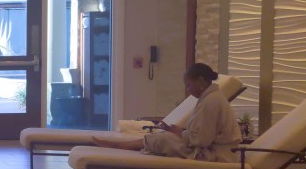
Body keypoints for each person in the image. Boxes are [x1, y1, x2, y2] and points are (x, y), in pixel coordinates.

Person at [93, 63, 241, 162]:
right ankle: (117, 145)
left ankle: (116, 146)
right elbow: (201, 135)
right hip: (211, 150)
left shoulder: (211, 101)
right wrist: (178, 131)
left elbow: (202, 141)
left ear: (201, 81)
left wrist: (180, 133)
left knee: (164, 139)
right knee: (164, 137)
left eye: (189, 86)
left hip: (215, 155)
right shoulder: (210, 98)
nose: (188, 90)